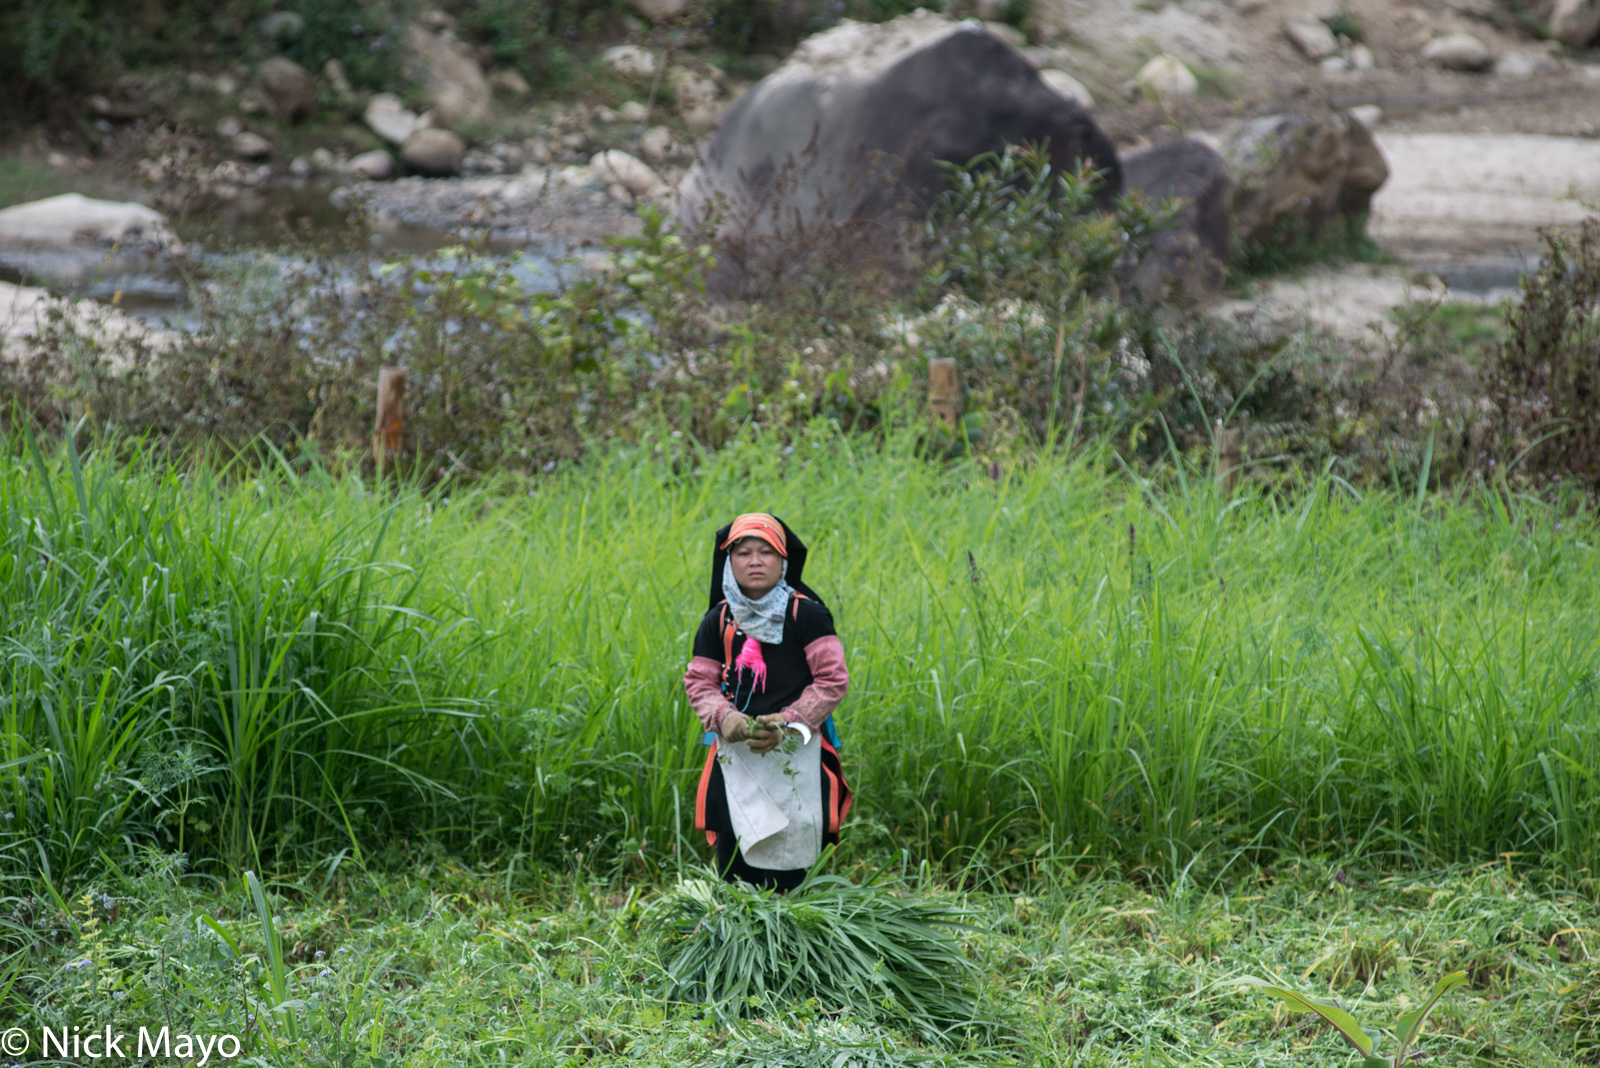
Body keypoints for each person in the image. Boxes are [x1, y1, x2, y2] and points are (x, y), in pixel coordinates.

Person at [683, 513, 852, 891]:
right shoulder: (719, 620)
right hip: (735, 753)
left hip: (797, 746)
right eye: (743, 553)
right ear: (729, 561)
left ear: (784, 561)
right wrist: (723, 717)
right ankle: (739, 940)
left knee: (799, 865)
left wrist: (789, 722)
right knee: (735, 868)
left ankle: (800, 939)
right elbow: (699, 681)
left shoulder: (806, 615)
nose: (755, 561)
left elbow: (832, 679)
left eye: (766, 552)